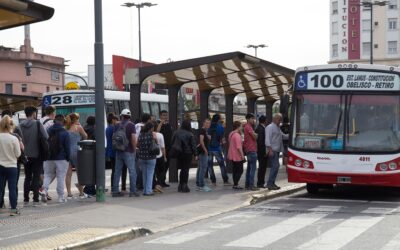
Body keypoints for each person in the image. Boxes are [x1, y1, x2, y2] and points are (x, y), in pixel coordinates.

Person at [19, 106, 48, 206]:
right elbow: (45, 136)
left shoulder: (20, 125)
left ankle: (26, 199)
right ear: (33, 114)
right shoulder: (37, 123)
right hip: (36, 155)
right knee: (36, 177)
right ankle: (35, 199)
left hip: (25, 155)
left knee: (27, 177)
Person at [41, 114, 70, 203]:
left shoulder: (47, 131)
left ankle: (44, 190)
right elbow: (67, 147)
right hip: (61, 158)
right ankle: (61, 197)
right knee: (60, 177)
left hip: (48, 157)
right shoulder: (65, 132)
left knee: (47, 175)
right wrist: (67, 158)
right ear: (62, 122)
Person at [112, 109, 139, 197]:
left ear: (122, 116)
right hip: (129, 151)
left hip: (118, 151)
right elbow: (133, 138)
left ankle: (115, 191)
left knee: (117, 171)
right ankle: (133, 191)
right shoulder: (131, 125)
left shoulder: (116, 125)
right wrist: (134, 149)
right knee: (132, 171)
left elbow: (114, 137)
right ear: (130, 116)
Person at [0, 115, 21, 216]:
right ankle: (13, 210)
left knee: (0, 188)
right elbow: (18, 154)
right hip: (12, 166)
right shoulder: (14, 138)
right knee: (12, 188)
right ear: (11, 126)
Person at [65, 113, 88, 198]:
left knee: (68, 174)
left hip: (67, 152)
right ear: (75, 119)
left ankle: (69, 193)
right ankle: (81, 193)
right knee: (79, 173)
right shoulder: (78, 127)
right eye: (78, 118)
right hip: (76, 151)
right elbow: (85, 136)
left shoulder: (65, 128)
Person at [265, 113, 289, 190]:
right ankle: (270, 183)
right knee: (275, 166)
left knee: (276, 166)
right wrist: (270, 150)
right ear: (275, 119)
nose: (280, 121)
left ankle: (272, 183)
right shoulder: (270, 127)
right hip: (273, 150)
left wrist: (292, 134)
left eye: (281, 119)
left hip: (277, 150)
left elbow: (284, 136)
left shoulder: (278, 128)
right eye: (279, 119)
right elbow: (267, 140)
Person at [172, 120, 198, 193]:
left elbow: (172, 142)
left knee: (182, 169)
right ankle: (184, 185)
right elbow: (193, 145)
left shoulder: (176, 132)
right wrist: (196, 154)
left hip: (179, 153)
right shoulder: (190, 134)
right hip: (187, 153)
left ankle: (180, 185)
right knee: (185, 169)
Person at [106, 113, 127, 191]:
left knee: (114, 170)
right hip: (116, 151)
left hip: (110, 151)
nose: (118, 121)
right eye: (117, 120)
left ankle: (113, 186)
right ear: (113, 120)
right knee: (122, 169)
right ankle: (123, 186)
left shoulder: (107, 128)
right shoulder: (114, 128)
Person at [207, 114, 230, 186]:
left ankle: (213, 181)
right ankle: (225, 181)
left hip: (209, 149)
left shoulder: (209, 127)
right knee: (222, 165)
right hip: (217, 148)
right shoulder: (220, 127)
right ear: (219, 120)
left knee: (210, 165)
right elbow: (223, 140)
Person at [137, 122, 158, 196]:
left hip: (142, 157)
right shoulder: (152, 134)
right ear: (151, 128)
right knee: (150, 174)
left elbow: (138, 144)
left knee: (144, 174)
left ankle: (144, 190)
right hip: (151, 157)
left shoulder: (141, 134)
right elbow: (156, 143)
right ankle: (148, 191)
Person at [135, 113, 151, 190]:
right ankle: (145, 186)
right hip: (144, 149)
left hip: (136, 149)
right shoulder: (146, 127)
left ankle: (139, 184)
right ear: (148, 120)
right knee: (147, 169)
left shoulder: (136, 126)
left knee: (138, 168)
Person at [228, 121, 245, 190]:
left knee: (235, 170)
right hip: (237, 156)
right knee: (240, 170)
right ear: (238, 127)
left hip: (232, 154)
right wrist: (242, 156)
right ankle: (236, 184)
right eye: (241, 126)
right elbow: (239, 147)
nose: (242, 128)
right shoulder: (237, 135)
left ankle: (235, 184)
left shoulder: (231, 134)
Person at [157, 110, 172, 187]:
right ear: (160, 116)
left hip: (168, 148)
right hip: (161, 148)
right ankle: (159, 182)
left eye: (166, 115)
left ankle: (162, 181)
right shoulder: (158, 123)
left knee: (166, 165)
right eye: (163, 115)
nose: (165, 117)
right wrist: (161, 123)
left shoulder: (168, 125)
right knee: (161, 166)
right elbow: (157, 132)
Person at [196, 118, 212, 192]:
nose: (208, 124)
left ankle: (198, 184)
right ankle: (201, 185)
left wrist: (208, 137)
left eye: (209, 123)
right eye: (207, 123)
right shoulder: (202, 130)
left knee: (200, 168)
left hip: (201, 152)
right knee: (203, 168)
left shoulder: (204, 131)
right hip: (202, 152)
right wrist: (205, 150)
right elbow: (201, 141)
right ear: (203, 123)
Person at [243, 113, 259, 191]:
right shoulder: (248, 127)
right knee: (253, 168)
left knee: (249, 168)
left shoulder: (247, 127)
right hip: (252, 149)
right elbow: (255, 136)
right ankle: (251, 185)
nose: (254, 120)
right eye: (252, 118)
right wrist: (256, 135)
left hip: (249, 150)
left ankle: (247, 184)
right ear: (248, 119)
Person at [152, 121, 166, 194]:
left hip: (151, 156)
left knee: (153, 172)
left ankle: (154, 185)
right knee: (162, 171)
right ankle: (158, 184)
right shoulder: (160, 135)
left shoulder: (148, 134)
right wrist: (165, 156)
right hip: (159, 155)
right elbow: (163, 147)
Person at [255, 115, 268, 188]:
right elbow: (260, 141)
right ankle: (260, 183)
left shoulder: (260, 128)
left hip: (261, 150)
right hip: (261, 151)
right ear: (265, 120)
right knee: (262, 167)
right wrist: (264, 152)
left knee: (262, 167)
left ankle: (261, 182)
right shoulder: (261, 129)